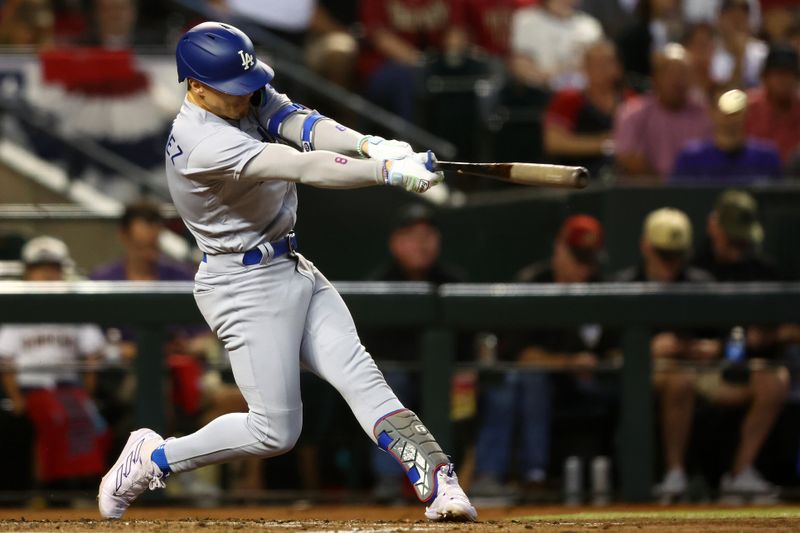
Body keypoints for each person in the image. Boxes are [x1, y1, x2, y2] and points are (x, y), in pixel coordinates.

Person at [97, 21, 476, 522]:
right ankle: (154, 458)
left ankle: (438, 481)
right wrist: (384, 171)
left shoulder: (241, 93)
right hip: (240, 285)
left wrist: (372, 145)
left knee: (358, 372)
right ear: (196, 86)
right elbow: (303, 165)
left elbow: (305, 123)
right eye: (232, 89)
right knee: (275, 432)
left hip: (290, 264)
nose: (246, 96)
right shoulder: (199, 142)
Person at [616, 208, 787, 504]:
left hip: (704, 372)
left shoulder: (700, 281)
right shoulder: (624, 284)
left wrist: (715, 347)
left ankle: (740, 474)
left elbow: (732, 336)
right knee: (679, 378)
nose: (671, 263)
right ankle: (675, 475)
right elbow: (605, 349)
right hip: (651, 374)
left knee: (773, 379)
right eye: (663, 254)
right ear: (646, 246)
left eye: (677, 254)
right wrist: (647, 348)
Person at [473, 215, 617, 499]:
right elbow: (521, 355)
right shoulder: (533, 283)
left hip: (588, 384)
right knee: (526, 380)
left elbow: (615, 346)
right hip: (537, 385)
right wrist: (569, 363)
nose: (584, 269)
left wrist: (600, 362)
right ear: (559, 250)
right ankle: (529, 476)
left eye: (589, 260)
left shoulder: (601, 286)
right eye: (578, 259)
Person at [364, 204, 466, 501]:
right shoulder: (378, 286)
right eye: (411, 235)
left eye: (428, 235)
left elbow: (470, 347)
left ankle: (485, 476)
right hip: (400, 382)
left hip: (449, 383)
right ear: (395, 242)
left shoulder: (454, 282)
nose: (421, 243)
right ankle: (388, 481)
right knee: (389, 382)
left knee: (499, 386)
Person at [0, 236, 108, 488]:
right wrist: (15, 397)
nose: (47, 274)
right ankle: (49, 490)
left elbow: (93, 352)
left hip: (69, 385)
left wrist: (88, 393)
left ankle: (85, 487)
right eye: (40, 268)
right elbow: (5, 360)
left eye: (53, 268)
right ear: (27, 273)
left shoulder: (74, 307)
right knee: (55, 416)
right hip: (32, 387)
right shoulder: (16, 308)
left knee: (91, 422)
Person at [613, 43, 713, 181]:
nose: (678, 79)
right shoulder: (632, 113)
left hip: (694, 190)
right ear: (655, 77)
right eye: (671, 72)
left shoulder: (704, 113)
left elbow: (712, 157)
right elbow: (628, 158)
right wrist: (663, 186)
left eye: (683, 72)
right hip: (646, 193)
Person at [543, 39, 624, 178]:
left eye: (607, 63)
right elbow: (554, 142)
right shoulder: (568, 99)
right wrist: (603, 144)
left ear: (618, 67)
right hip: (579, 177)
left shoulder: (631, 101)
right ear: (585, 67)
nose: (601, 69)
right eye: (595, 64)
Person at [670, 89, 782, 183]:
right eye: (724, 110)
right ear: (712, 112)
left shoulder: (767, 158)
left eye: (737, 111)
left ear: (747, 113)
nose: (731, 118)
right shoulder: (690, 159)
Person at [509, 0, 603, 90]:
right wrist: (551, 77)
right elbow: (520, 64)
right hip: (540, 93)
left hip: (585, 93)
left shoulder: (589, 25)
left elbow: (600, 65)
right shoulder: (526, 20)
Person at [746, 45, 800, 164]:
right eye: (777, 74)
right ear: (765, 77)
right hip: (754, 177)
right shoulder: (749, 108)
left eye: (788, 74)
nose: (783, 80)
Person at [711, 0, 768, 89]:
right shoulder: (711, 53)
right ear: (719, 19)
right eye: (732, 17)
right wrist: (738, 58)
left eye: (742, 17)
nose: (737, 23)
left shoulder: (762, 53)